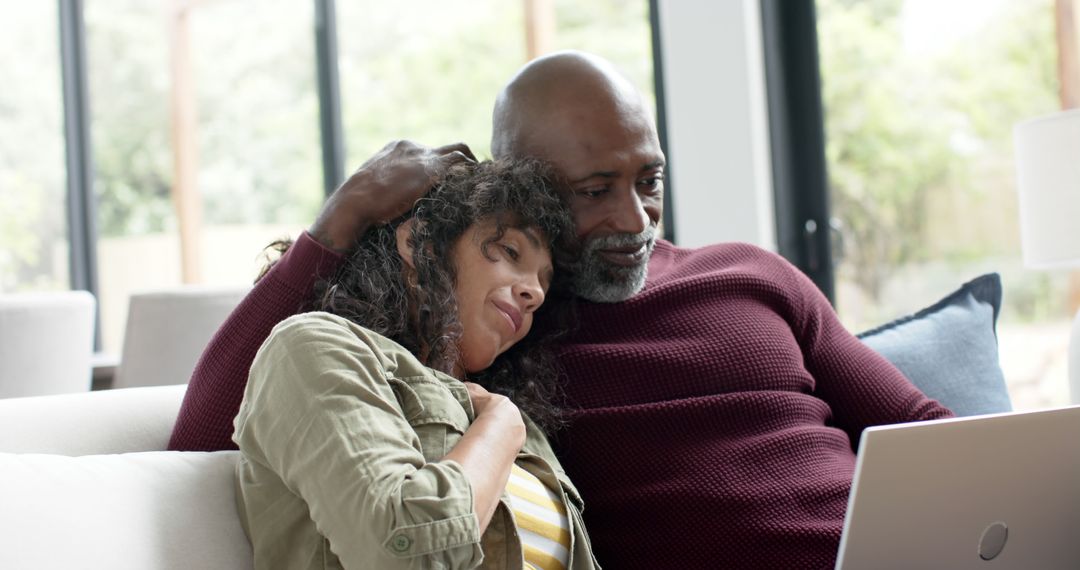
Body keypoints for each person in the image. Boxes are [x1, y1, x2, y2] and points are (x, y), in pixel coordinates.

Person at [171, 51, 952, 568]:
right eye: (592, 192)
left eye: (648, 180)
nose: (635, 221)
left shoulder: (752, 274)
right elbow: (202, 443)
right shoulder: (489, 345)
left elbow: (921, 428)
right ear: (523, 188)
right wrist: (337, 225)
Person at [233, 158, 597, 569]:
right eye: (510, 251)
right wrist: (499, 426)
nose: (535, 292)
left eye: (543, 282)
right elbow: (400, 552)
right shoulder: (313, 347)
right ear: (421, 243)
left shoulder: (523, 430)